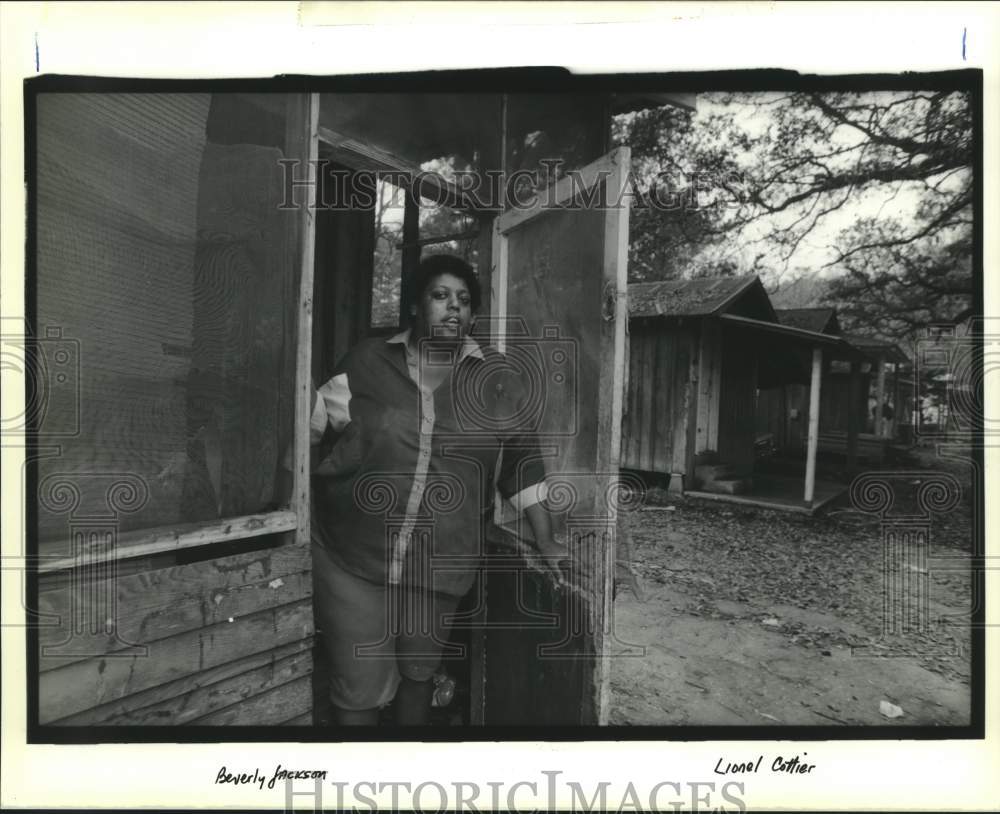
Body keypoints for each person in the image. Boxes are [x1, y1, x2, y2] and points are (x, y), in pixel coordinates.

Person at [302, 254, 566, 726]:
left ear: (474, 316)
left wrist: (546, 539)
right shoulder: (366, 362)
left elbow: (523, 465)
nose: (453, 308)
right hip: (353, 553)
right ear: (415, 307)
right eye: (440, 296)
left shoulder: (495, 379)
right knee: (359, 687)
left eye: (464, 301)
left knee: (419, 673)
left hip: (442, 558)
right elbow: (309, 432)